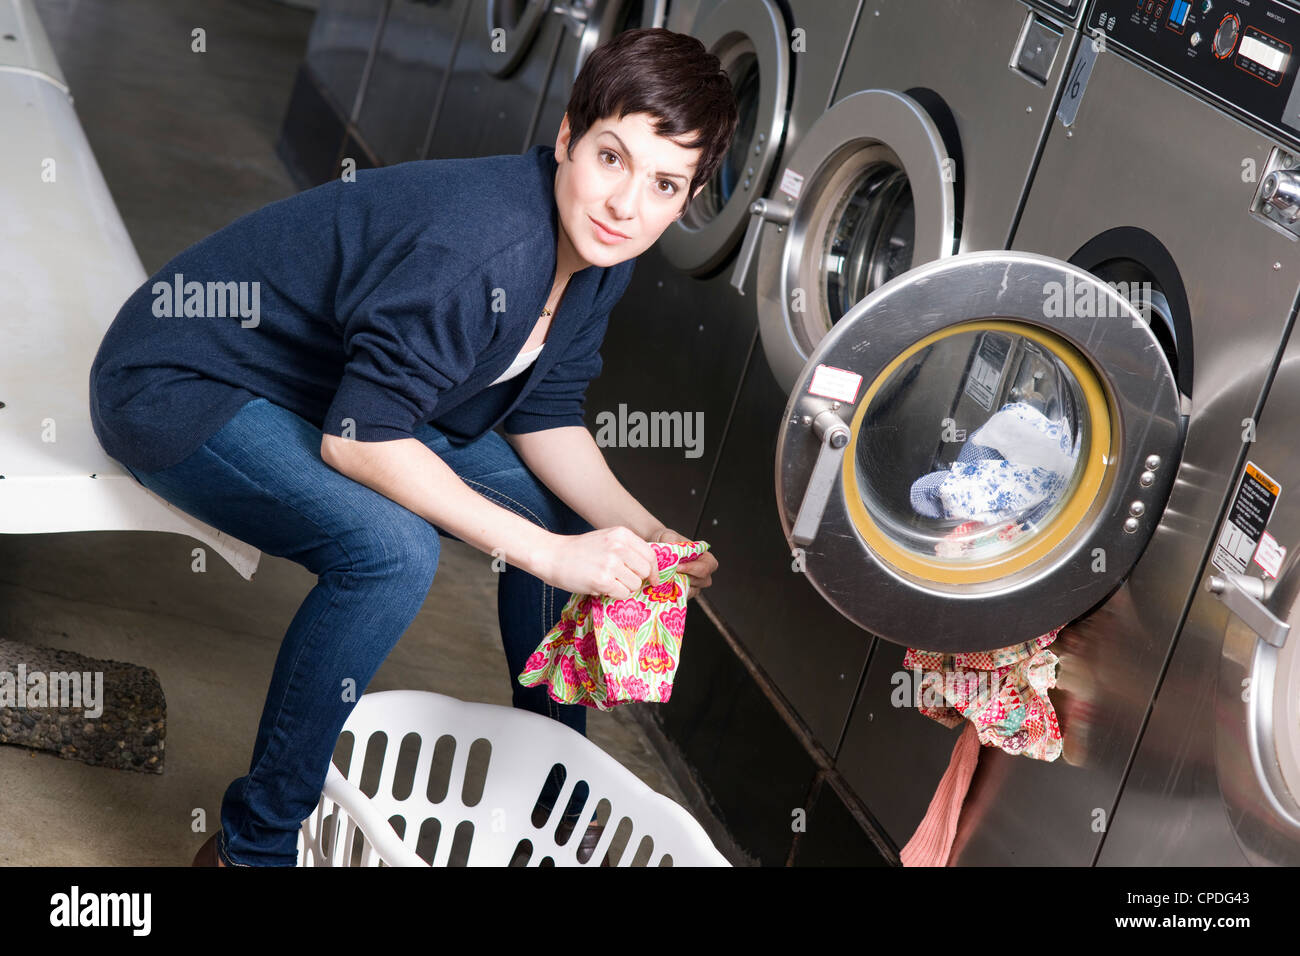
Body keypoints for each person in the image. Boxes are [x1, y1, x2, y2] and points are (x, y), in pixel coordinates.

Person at [87, 26, 736, 867]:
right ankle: (254, 850)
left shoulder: (602, 254)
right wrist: (548, 556)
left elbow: (549, 415)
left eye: (663, 184)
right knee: (392, 553)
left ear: (684, 201)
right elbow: (359, 444)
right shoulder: (488, 245)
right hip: (183, 381)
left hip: (321, 389)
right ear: (568, 137)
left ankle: (554, 799)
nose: (626, 204)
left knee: (558, 511)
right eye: (612, 158)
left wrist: (644, 532)